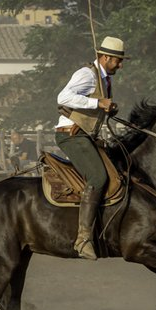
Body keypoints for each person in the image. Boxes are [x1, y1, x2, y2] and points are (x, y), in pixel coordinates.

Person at [55, 35, 126, 260]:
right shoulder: (87, 74)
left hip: (86, 137)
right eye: (117, 60)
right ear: (105, 57)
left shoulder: (104, 79)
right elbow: (63, 97)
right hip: (71, 136)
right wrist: (98, 103)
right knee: (98, 176)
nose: (120, 65)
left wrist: (107, 109)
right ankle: (83, 239)